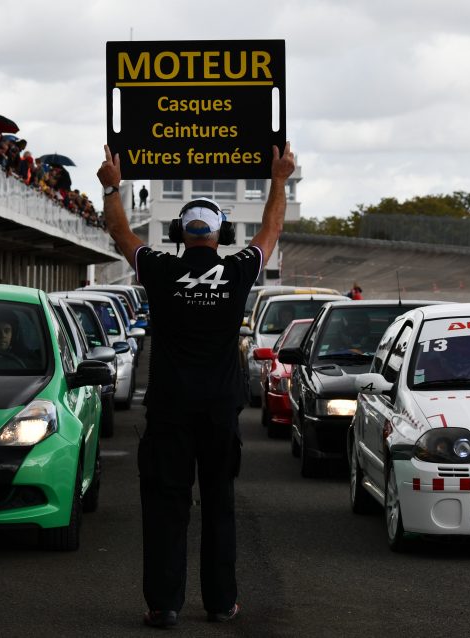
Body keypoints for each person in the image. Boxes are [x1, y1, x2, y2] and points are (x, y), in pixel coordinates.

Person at [97, 141, 296, 628]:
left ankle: (164, 605)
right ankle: (222, 602)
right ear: (223, 234)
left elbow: (121, 233)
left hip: (169, 409)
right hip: (219, 409)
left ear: (179, 235)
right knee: (219, 501)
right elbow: (272, 228)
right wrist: (278, 179)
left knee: (167, 504)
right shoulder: (238, 270)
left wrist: (111, 187)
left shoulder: (161, 271)